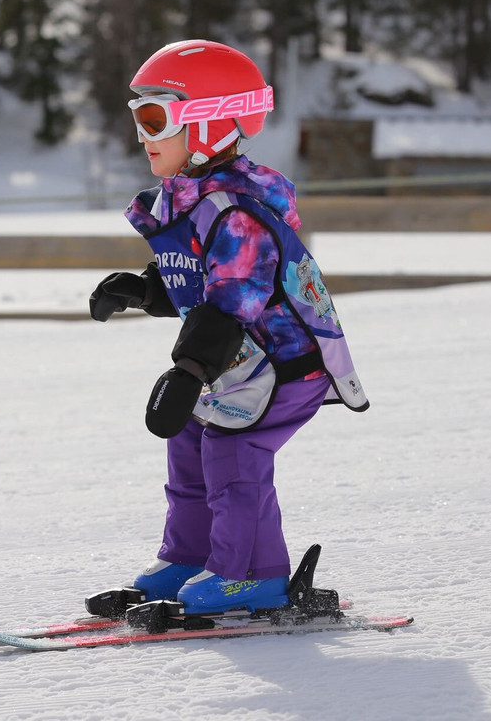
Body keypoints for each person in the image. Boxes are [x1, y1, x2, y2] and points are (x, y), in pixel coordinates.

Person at [89, 39, 368, 615]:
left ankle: (254, 576)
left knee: (233, 452)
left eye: (154, 117)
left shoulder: (237, 212)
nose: (142, 135)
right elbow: (196, 277)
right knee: (191, 443)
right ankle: (192, 558)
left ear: (212, 127)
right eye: (136, 117)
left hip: (287, 366)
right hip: (241, 365)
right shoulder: (193, 199)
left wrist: (188, 371)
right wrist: (143, 289)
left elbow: (232, 300)